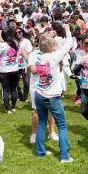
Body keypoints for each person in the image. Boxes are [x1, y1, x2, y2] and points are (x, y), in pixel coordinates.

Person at [30, 27, 74, 163]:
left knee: (42, 123)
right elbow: (68, 44)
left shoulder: (36, 56)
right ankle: (65, 156)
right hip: (52, 96)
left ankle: (40, 152)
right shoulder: (55, 56)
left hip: (39, 93)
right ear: (52, 46)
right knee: (62, 126)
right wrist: (67, 30)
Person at [0, 28, 20, 114]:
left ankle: (8, 109)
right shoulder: (15, 43)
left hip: (4, 70)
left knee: (5, 90)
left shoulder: (2, 45)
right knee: (13, 89)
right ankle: (14, 107)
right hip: (15, 69)